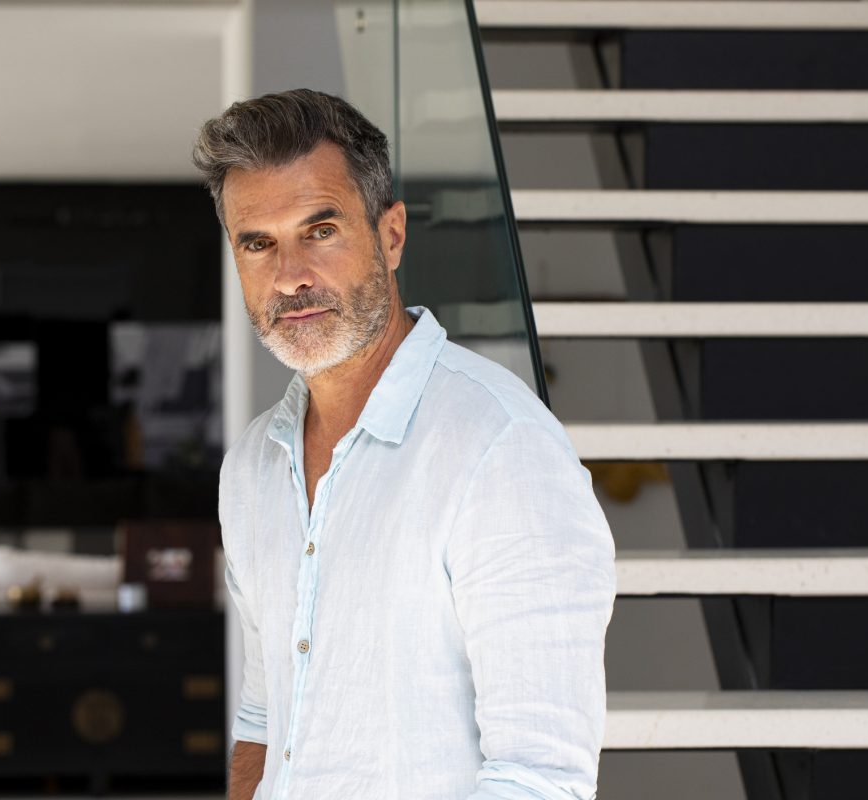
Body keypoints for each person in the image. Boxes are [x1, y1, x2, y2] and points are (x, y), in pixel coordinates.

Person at [193, 88, 616, 800]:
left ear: (391, 236)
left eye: (320, 230)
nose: (290, 277)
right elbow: (264, 722)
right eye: (258, 243)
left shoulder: (501, 450)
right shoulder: (252, 467)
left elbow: (539, 779)